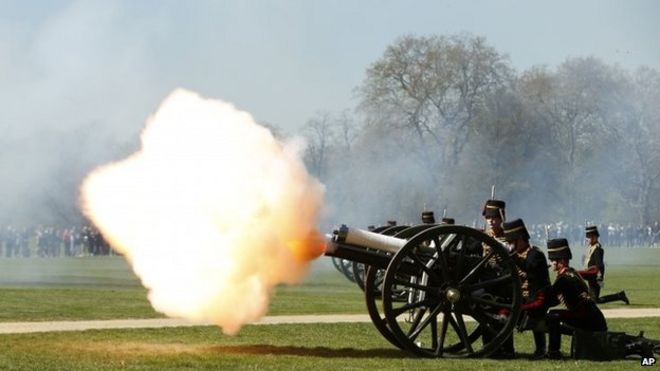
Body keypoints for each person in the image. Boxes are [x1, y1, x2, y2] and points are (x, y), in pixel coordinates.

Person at [521, 238, 607, 359]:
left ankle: (553, 352)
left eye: (552, 260)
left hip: (587, 318)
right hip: (594, 316)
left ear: (560, 260)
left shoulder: (562, 279)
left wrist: (523, 307)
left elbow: (547, 300)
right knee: (555, 314)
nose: (550, 263)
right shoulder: (573, 272)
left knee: (553, 316)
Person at [502, 218, 551, 359]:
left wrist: (512, 256)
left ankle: (541, 350)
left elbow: (529, 267)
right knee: (503, 312)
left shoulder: (536, 254)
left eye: (512, 242)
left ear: (521, 239)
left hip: (535, 297)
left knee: (513, 313)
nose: (511, 246)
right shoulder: (515, 256)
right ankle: (508, 350)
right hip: (520, 297)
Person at [480, 199, 515, 358]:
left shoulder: (509, 238)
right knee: (486, 316)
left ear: (501, 219)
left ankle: (507, 349)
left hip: (504, 284)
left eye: (494, 218)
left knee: (504, 317)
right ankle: (488, 348)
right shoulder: (481, 237)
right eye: (489, 218)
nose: (491, 221)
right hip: (485, 283)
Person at [578, 225, 629, 305]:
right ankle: (619, 295)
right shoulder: (590, 248)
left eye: (589, 237)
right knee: (592, 299)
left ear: (594, 237)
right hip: (590, 276)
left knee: (595, 300)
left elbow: (599, 265)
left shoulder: (598, 250)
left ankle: (619, 296)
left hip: (595, 277)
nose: (587, 239)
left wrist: (599, 279)